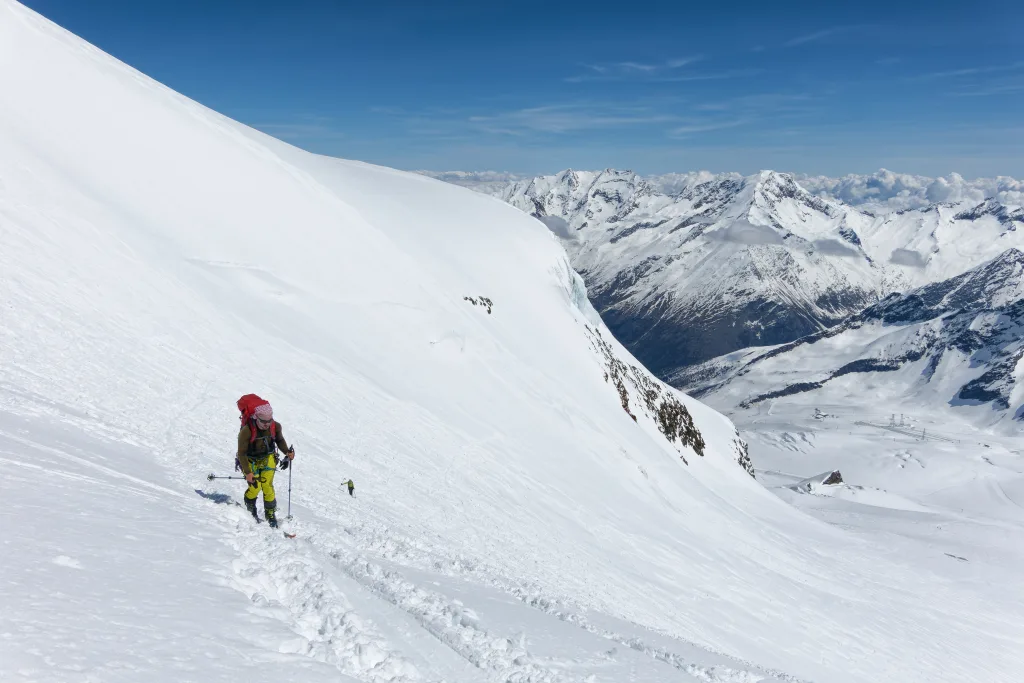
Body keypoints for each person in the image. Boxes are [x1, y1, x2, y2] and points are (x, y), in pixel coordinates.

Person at [237, 403, 294, 527]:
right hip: (249, 460)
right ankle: (250, 506)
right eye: (263, 421)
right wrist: (248, 472)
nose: (267, 424)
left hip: (268, 457)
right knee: (255, 487)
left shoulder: (275, 426)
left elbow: (279, 440)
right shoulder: (246, 431)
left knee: (268, 486)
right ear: (256, 418)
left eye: (269, 421)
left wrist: (287, 452)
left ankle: (270, 513)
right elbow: (241, 453)